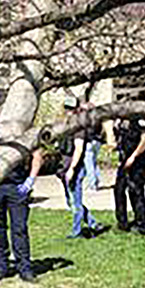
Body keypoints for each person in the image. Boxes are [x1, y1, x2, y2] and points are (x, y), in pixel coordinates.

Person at [0, 141, 45, 281]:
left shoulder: (23, 134)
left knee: (19, 229)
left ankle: (24, 268)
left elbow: (37, 155)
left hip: (18, 188)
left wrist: (30, 180)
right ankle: (2, 267)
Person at [58, 100, 96, 238]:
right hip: (63, 167)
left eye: (70, 109)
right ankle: (93, 223)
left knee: (75, 202)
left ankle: (77, 231)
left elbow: (79, 149)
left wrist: (72, 169)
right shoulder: (66, 125)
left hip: (74, 168)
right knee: (71, 201)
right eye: (66, 108)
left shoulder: (79, 127)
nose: (67, 111)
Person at [112, 114, 143, 232]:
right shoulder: (120, 123)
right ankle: (122, 223)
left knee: (135, 191)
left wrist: (133, 156)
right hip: (124, 160)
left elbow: (144, 140)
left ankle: (141, 223)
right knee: (118, 190)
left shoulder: (137, 122)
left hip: (135, 161)